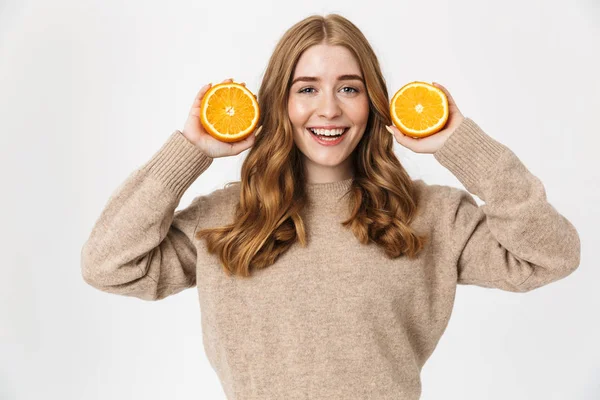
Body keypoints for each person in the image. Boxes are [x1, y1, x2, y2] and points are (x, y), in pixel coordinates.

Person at [80, 13, 580, 400]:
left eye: (348, 88)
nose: (329, 109)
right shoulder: (226, 219)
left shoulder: (431, 215)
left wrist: (465, 147)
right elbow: (109, 265)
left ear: (373, 102)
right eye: (306, 89)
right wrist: (186, 153)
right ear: (280, 103)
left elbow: (552, 255)